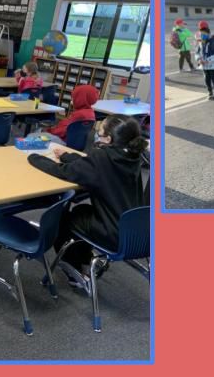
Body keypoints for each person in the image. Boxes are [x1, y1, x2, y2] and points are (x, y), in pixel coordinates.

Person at [28, 115, 147, 283]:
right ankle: (86, 258)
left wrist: (34, 157)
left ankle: (74, 272)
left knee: (62, 219)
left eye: (99, 132)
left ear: (108, 138)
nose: (96, 135)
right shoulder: (132, 157)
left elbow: (62, 172)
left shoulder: (102, 158)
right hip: (139, 232)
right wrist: (67, 155)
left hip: (114, 234)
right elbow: (90, 165)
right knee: (81, 211)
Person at [32, 84, 98, 145]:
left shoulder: (79, 115)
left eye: (74, 97)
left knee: (32, 136)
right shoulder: (90, 113)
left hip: (61, 140)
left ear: (81, 99)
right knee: (39, 132)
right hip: (72, 142)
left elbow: (62, 131)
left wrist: (48, 131)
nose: (71, 100)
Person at [197, 25, 214, 99]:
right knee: (207, 79)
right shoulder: (200, 43)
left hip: (213, 65)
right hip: (204, 66)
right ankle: (210, 91)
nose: (202, 36)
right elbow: (197, 53)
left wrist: (208, 60)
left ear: (208, 34)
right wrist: (199, 59)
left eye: (204, 34)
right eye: (201, 34)